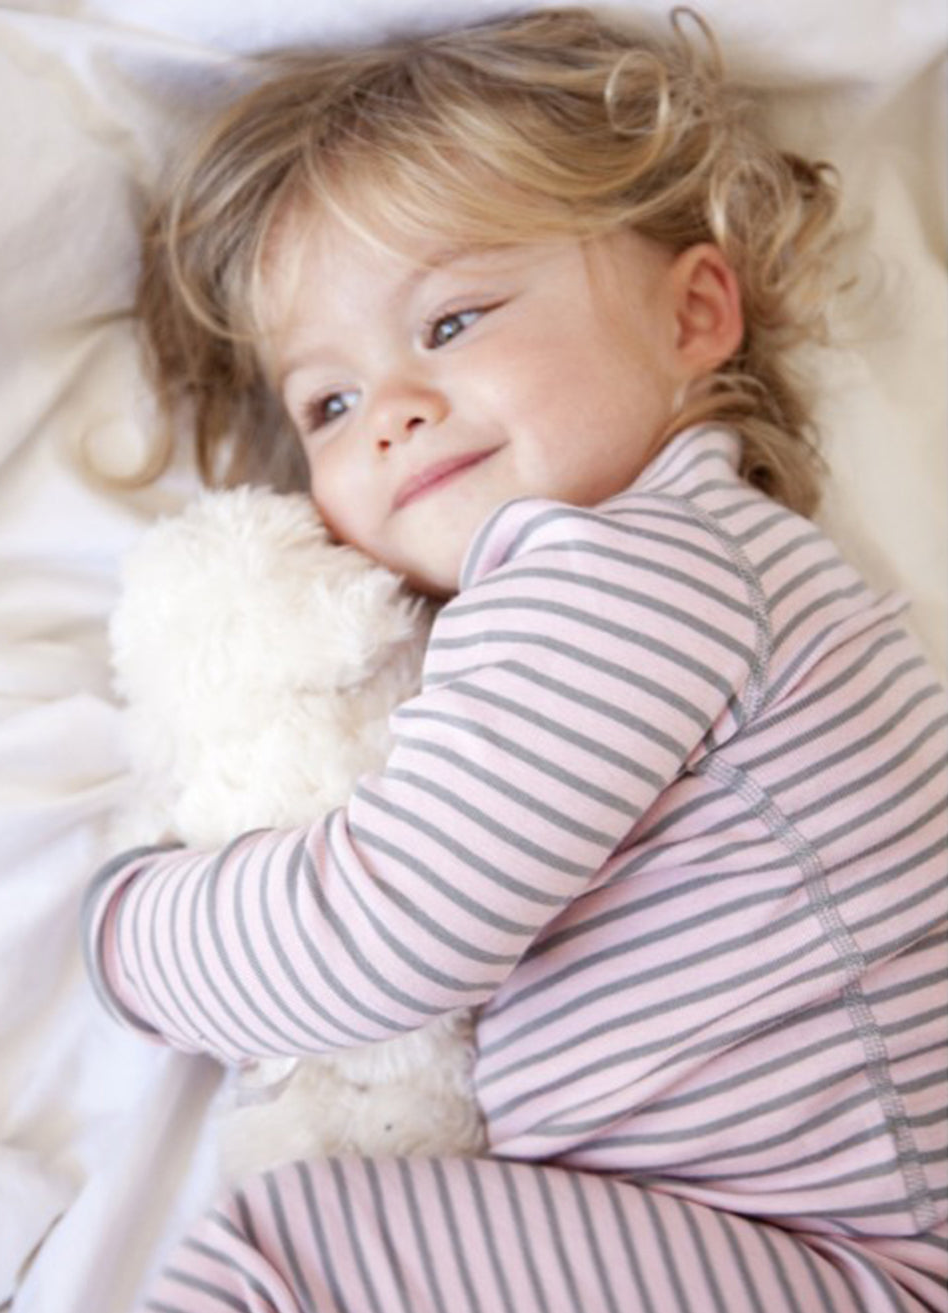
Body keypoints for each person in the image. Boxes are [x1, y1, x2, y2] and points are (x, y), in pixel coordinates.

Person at [83, 7, 948, 1310]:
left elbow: (380, 931)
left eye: (452, 321)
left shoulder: (633, 573)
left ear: (692, 314)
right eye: (328, 402)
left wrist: (125, 933)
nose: (390, 413)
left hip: (853, 1259)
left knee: (292, 1255)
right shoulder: (688, 583)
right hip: (756, 1244)